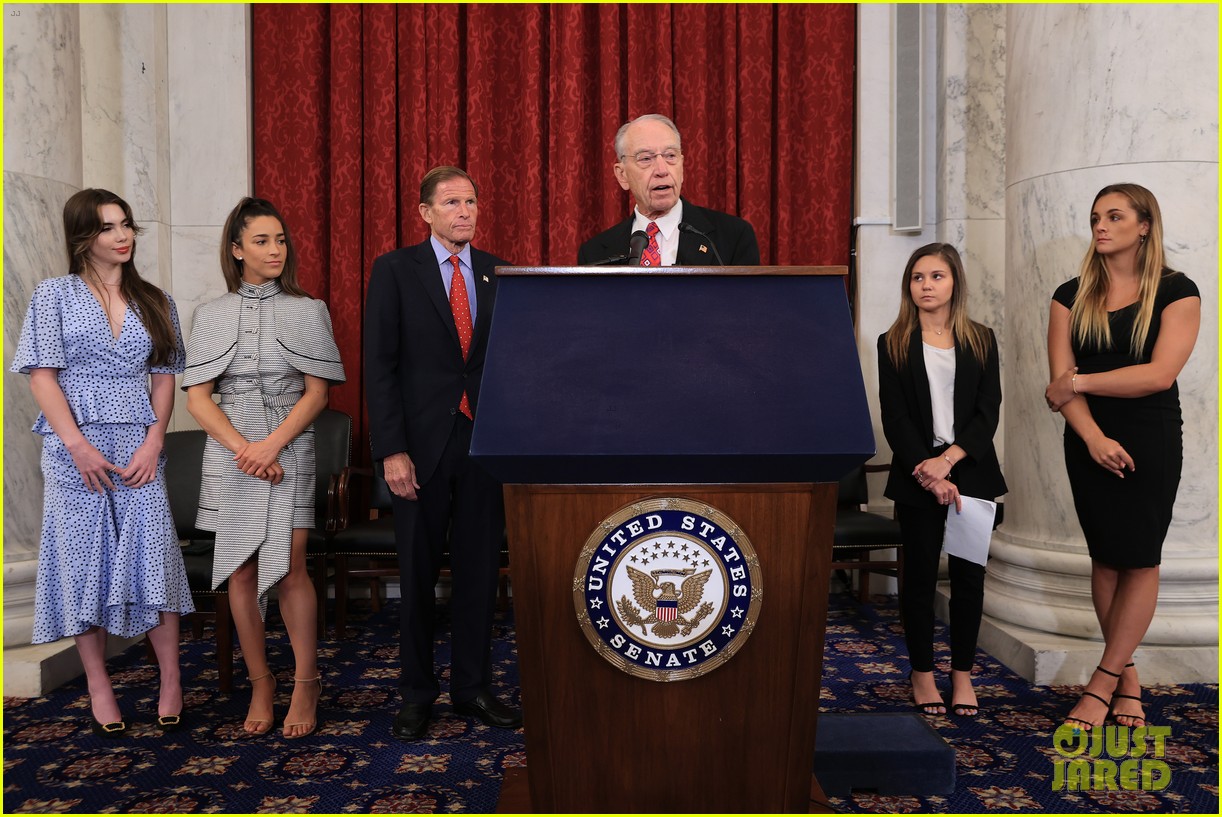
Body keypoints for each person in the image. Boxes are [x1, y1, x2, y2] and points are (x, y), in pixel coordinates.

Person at [10, 188, 193, 737]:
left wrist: (155, 442)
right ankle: (98, 684)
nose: (122, 236)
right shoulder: (54, 294)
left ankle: (170, 680)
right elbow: (42, 376)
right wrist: (77, 445)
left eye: (126, 224)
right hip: (75, 448)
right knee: (81, 564)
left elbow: (165, 378)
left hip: (139, 446)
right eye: (108, 227)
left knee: (153, 559)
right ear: (82, 236)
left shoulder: (156, 299)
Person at [365, 165, 522, 741]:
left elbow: (511, 363)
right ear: (425, 212)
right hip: (419, 449)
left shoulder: (498, 272)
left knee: (479, 575)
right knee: (418, 575)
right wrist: (392, 450)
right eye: (452, 202)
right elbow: (379, 367)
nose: (464, 211)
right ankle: (416, 694)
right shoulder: (395, 270)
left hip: (483, 445)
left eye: (471, 201)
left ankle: (472, 688)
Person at [183, 198, 345, 739]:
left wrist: (271, 445)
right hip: (231, 454)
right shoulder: (210, 314)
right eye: (261, 241)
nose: (275, 250)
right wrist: (244, 449)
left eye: (280, 240)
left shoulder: (309, 309)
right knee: (240, 571)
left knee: (292, 567)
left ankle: (306, 682)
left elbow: (318, 394)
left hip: (289, 446)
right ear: (236, 249)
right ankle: (260, 682)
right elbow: (198, 399)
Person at [1045, 183, 1199, 732]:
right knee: (1106, 557)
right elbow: (1058, 382)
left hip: (1150, 435)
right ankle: (1127, 676)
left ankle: (1103, 681)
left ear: (1144, 225)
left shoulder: (1177, 290)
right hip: (1088, 436)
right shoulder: (1069, 295)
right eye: (1095, 218)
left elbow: (1158, 374)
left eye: (1114, 216)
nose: (1101, 226)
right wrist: (1091, 437)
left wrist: (1080, 381)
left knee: (1140, 557)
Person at [878, 243, 1007, 718]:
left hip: (971, 471)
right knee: (919, 580)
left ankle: (963, 675)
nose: (926, 286)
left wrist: (948, 461)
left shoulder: (981, 339)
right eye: (918, 278)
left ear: (955, 283)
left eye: (936, 276)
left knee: (970, 580)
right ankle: (922, 673)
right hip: (918, 475)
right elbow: (895, 418)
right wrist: (928, 472)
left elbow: (988, 412)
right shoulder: (892, 342)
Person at [577, 113, 760, 266]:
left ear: (682, 166)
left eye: (670, 156)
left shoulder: (732, 236)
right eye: (646, 159)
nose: (662, 170)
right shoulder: (594, 254)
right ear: (622, 175)